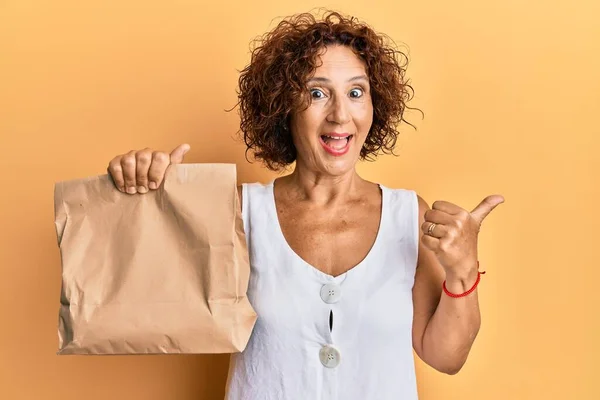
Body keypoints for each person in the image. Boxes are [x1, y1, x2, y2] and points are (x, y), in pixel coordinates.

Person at [106, 10, 504, 400]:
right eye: (317, 92)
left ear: (374, 104)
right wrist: (144, 198)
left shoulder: (408, 215)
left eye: (355, 92)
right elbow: (149, 305)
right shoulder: (241, 213)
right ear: (284, 106)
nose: (339, 114)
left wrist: (462, 267)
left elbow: (446, 356)